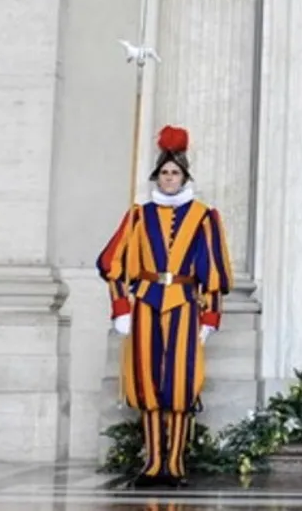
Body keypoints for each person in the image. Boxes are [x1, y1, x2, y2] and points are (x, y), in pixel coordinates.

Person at [97, 126, 233, 488]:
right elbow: (113, 264)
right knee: (148, 384)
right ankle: (153, 463)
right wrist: (121, 308)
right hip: (145, 304)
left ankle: (175, 464)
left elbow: (215, 270)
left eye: (175, 173)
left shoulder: (204, 217)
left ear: (184, 176)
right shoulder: (138, 216)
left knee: (181, 385)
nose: (169, 179)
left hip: (186, 305)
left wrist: (210, 316)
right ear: (156, 177)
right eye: (164, 173)